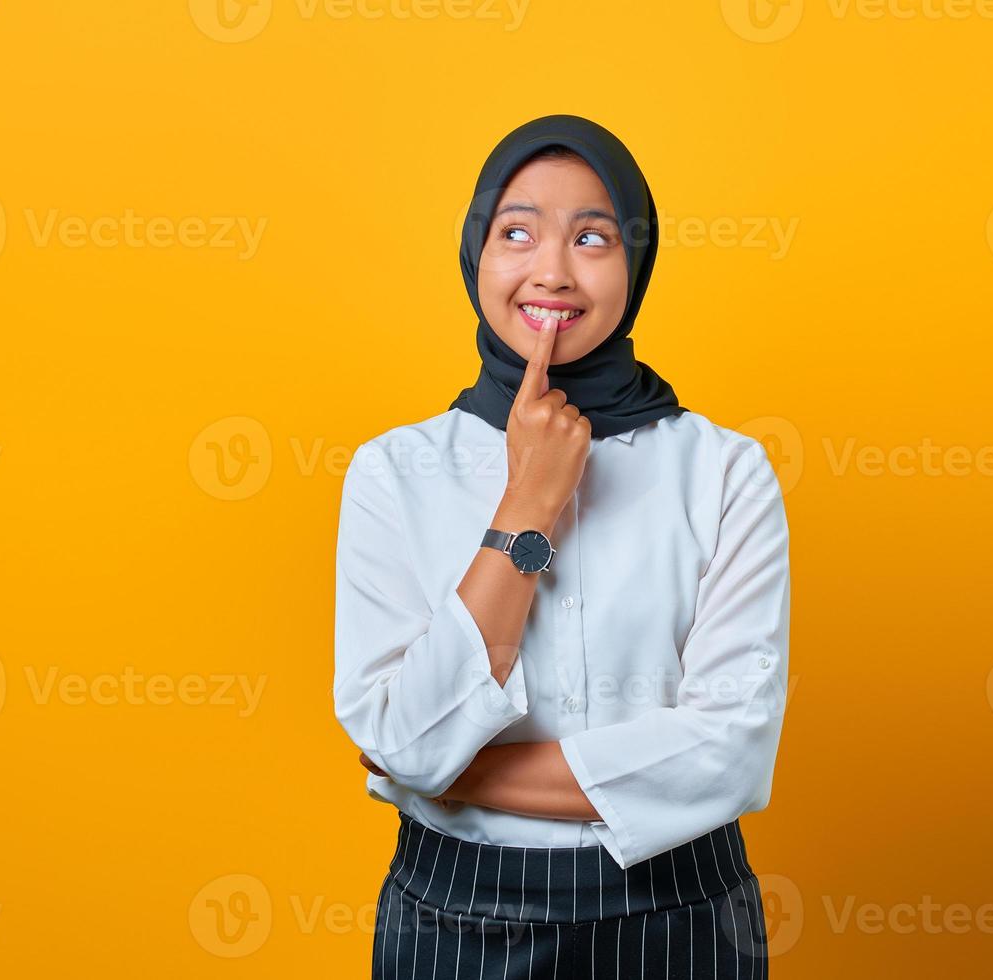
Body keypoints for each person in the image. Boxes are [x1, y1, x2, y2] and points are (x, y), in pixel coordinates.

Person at [334, 113, 791, 978]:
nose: (551, 271)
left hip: (679, 917)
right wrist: (529, 501)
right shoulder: (392, 472)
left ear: (636, 264)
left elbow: (729, 754)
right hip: (453, 919)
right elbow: (402, 735)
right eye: (517, 232)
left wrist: (441, 774)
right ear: (476, 253)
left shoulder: (725, 470)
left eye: (592, 236)